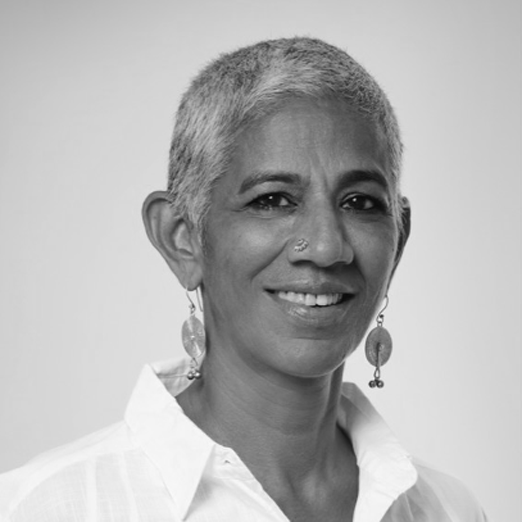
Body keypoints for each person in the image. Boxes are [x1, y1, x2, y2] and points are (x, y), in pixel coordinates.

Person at [0, 37, 488, 522]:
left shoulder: (449, 510)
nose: (326, 247)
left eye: (360, 202)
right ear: (181, 237)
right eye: (272, 200)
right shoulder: (48, 507)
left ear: (397, 241)